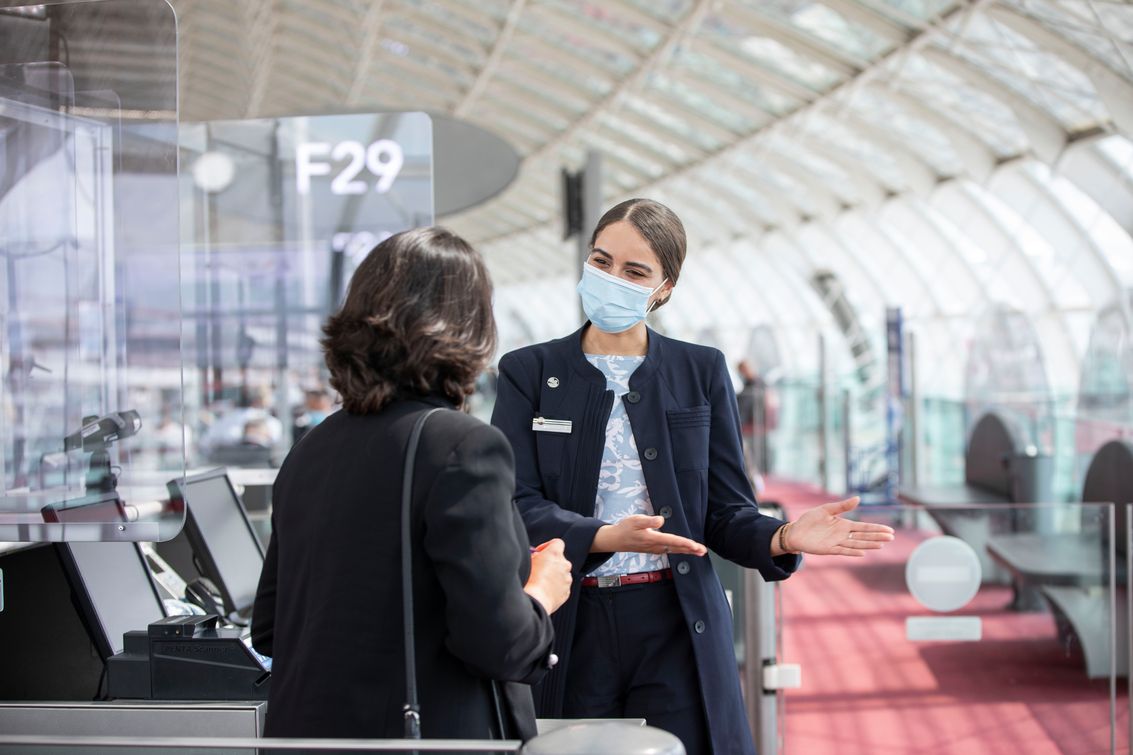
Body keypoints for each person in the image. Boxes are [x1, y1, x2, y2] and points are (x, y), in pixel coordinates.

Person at [490, 199, 895, 755]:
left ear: (664, 288)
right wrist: (604, 538)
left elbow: (725, 511)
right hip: (569, 620)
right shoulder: (529, 371)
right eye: (601, 261)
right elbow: (514, 502)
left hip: (674, 622)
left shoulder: (699, 370)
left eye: (634, 272)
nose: (612, 279)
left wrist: (781, 536)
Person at [251, 227, 572, 742]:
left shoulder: (311, 449)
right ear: (470, 326)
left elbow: (269, 629)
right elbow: (503, 645)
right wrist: (541, 591)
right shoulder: (463, 448)